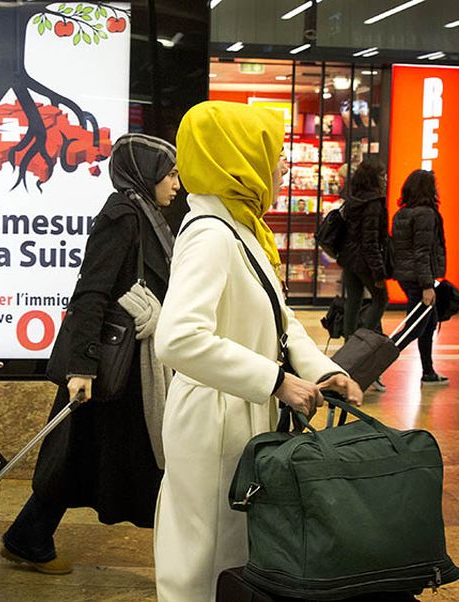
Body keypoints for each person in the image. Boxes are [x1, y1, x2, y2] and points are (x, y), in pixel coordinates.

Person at [152, 101, 363, 602]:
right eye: (273, 151)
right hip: (214, 419)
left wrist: (323, 371)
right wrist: (275, 380)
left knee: (230, 550)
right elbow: (177, 337)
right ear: (238, 159)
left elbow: (278, 318)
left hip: (236, 412)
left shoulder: (240, 227)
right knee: (204, 557)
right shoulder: (211, 234)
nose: (283, 164)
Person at [1, 133, 180, 574]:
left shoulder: (147, 216)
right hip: (110, 367)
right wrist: (80, 368)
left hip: (126, 365)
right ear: (145, 172)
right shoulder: (123, 216)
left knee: (83, 455)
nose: (177, 184)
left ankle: (28, 536)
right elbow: (91, 292)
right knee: (86, 455)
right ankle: (180, 555)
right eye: (170, 174)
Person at [336, 157, 390, 391]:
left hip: (349, 260)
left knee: (353, 302)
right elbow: (371, 242)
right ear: (373, 178)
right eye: (382, 175)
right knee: (381, 299)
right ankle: (362, 345)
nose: (385, 179)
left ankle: (349, 346)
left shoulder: (352, 200)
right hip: (365, 262)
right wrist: (379, 272)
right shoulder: (374, 203)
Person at [391, 169, 448, 385]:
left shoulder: (402, 213)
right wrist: (427, 285)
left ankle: (428, 372)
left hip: (407, 276)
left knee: (428, 324)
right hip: (419, 279)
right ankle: (370, 368)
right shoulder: (425, 214)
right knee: (413, 328)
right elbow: (422, 252)